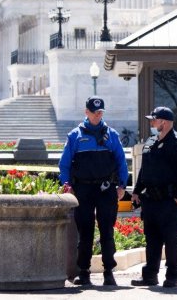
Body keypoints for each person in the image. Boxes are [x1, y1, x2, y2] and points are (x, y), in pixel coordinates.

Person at [59, 96, 128, 286]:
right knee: (85, 231)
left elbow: (122, 162)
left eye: (100, 113)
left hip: (106, 189)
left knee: (107, 230)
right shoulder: (75, 136)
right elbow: (64, 165)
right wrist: (67, 186)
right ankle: (84, 272)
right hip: (83, 189)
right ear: (86, 112)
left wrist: (122, 185)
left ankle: (108, 272)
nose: (98, 116)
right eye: (94, 112)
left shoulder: (111, 135)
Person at [130, 107, 177, 288]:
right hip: (151, 200)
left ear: (163, 122)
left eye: (154, 120)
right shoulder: (151, 142)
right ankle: (150, 275)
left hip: (170, 200)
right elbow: (144, 170)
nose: (151, 123)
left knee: (172, 238)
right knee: (152, 239)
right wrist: (136, 190)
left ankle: (172, 275)